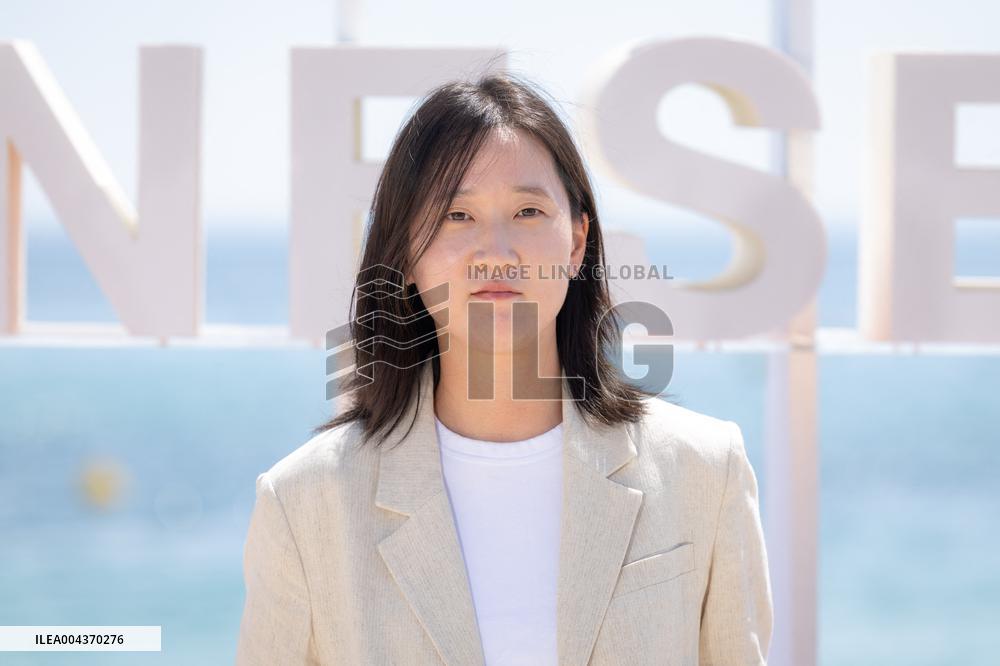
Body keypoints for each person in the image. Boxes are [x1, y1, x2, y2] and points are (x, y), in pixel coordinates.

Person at [235, 71, 773, 665]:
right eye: (456, 215)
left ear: (576, 244)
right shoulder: (305, 501)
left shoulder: (705, 469)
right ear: (406, 253)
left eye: (526, 211)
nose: (496, 251)